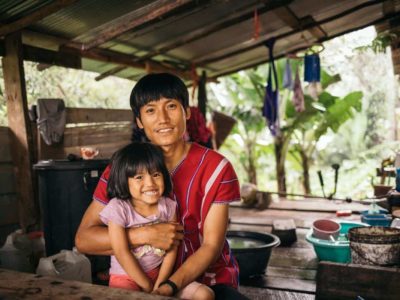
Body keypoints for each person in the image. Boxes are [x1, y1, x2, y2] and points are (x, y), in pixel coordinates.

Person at [75, 72, 249, 299]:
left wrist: (168, 288)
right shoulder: (122, 168)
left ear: (187, 112)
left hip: (206, 282)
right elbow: (84, 240)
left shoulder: (217, 168)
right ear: (139, 120)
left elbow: (211, 246)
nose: (163, 119)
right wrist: (145, 234)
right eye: (150, 110)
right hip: (140, 279)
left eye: (171, 106)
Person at [99, 142, 213, 299]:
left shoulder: (168, 206)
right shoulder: (118, 208)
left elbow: (172, 249)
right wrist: (146, 285)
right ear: (124, 180)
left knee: (204, 294)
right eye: (139, 177)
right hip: (125, 277)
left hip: (159, 275)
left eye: (156, 175)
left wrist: (160, 285)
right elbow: (121, 251)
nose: (150, 183)